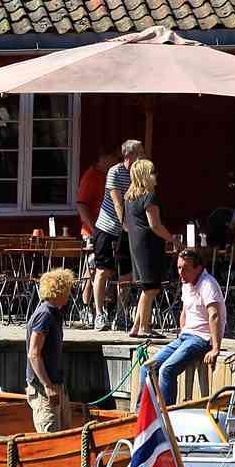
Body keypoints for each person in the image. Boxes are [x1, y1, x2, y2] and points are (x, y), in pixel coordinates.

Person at [151, 247, 224, 405]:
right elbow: (185, 312)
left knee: (167, 370)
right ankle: (142, 415)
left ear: (198, 268)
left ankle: (167, 414)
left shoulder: (207, 285)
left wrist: (215, 348)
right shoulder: (186, 283)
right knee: (149, 367)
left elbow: (215, 315)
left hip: (201, 338)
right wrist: (182, 332)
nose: (180, 273)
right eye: (178, 267)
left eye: (185, 269)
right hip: (186, 336)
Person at [86, 139, 139, 328]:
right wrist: (125, 225)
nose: (143, 156)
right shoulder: (115, 171)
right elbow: (118, 202)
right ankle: (100, 314)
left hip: (128, 229)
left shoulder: (138, 174)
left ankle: (121, 313)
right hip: (107, 227)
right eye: (139, 153)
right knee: (103, 270)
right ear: (128, 155)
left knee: (126, 274)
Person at [123, 158, 174, 338]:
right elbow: (155, 225)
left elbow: (125, 225)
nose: (155, 176)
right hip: (148, 245)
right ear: (145, 176)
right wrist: (174, 240)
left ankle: (137, 326)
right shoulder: (149, 196)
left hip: (135, 244)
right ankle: (144, 327)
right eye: (152, 173)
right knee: (151, 288)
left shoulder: (129, 197)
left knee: (147, 287)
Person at [26, 267, 76, 433]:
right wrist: (47, 386)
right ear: (60, 291)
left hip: (56, 384)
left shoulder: (54, 313)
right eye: (68, 288)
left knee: (65, 433)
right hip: (43, 389)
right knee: (50, 435)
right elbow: (33, 353)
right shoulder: (45, 315)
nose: (69, 293)